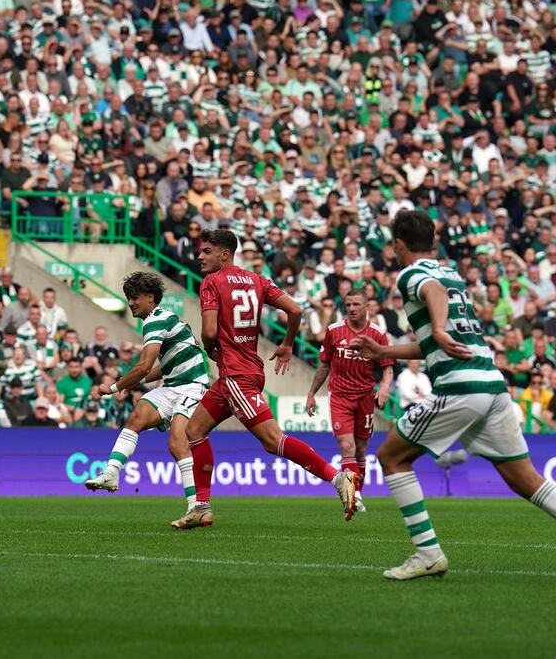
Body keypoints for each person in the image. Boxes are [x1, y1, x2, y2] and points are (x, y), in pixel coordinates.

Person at [354, 210, 556, 580]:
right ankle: (427, 555)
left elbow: (434, 303)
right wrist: (385, 353)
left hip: (461, 387)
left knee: (392, 456)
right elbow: (437, 343)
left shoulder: (414, 275)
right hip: (491, 385)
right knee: (525, 479)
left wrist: (441, 327)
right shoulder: (451, 274)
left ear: (398, 244)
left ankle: (428, 553)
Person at [181, 229, 357, 529]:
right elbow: (296, 310)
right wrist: (287, 343)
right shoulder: (257, 280)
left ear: (225, 254)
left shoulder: (211, 282)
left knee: (272, 440)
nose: (200, 256)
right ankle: (201, 506)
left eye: (206, 251)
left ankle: (338, 478)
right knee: (194, 430)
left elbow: (209, 332)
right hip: (243, 372)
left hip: (236, 374)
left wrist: (212, 350)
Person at [84, 272, 211, 528]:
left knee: (177, 444)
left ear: (150, 297)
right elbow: (161, 369)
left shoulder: (155, 320)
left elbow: (143, 366)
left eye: (135, 297)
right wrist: (130, 383)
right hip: (173, 384)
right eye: (128, 298)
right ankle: (110, 474)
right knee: (137, 417)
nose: (130, 303)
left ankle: (197, 508)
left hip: (192, 386)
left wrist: (113, 386)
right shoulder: (161, 318)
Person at [306, 290, 394, 513]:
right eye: (348, 304)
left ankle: (358, 492)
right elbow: (324, 364)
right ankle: (353, 495)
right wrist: (311, 393)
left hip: (364, 396)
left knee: (362, 450)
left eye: (356, 304)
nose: (352, 308)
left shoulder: (378, 334)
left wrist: (384, 386)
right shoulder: (334, 331)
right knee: (347, 446)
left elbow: (388, 368)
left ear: (367, 306)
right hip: (340, 396)